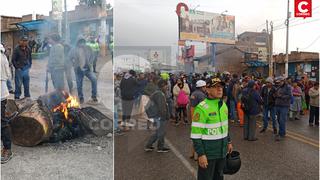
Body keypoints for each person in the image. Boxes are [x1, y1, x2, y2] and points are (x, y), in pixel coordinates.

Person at [191, 78, 232, 180]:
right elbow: (195, 135)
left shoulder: (223, 105)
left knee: (219, 177)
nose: (219, 89)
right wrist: (201, 154)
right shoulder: (201, 108)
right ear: (208, 90)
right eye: (215, 87)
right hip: (208, 154)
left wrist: (229, 141)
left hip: (222, 152)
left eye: (221, 86)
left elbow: (224, 126)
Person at [145, 79, 170, 153]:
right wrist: (165, 116)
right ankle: (160, 147)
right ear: (162, 85)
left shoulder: (157, 92)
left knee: (158, 132)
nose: (167, 87)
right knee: (161, 132)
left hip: (156, 115)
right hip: (159, 116)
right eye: (166, 85)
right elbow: (162, 107)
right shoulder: (159, 94)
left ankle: (149, 146)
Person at [69, 38, 98, 103]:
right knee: (79, 84)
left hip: (87, 69)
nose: (82, 44)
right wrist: (74, 64)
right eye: (80, 42)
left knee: (94, 79)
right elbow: (69, 57)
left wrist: (90, 63)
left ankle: (94, 96)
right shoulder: (73, 49)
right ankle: (81, 97)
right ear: (78, 43)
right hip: (78, 70)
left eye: (83, 42)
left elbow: (93, 56)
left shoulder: (88, 48)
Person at [1, 44, 13, 163]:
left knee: (2, 123)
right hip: (2, 93)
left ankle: (7, 149)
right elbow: (8, 75)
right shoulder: (2, 55)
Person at [189, 79, 207, 160]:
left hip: (193, 116)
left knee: (194, 136)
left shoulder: (193, 93)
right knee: (199, 137)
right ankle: (197, 155)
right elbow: (205, 107)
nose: (206, 88)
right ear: (202, 87)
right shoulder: (201, 95)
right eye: (205, 87)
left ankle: (192, 153)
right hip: (199, 117)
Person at [274, 76, 292, 141]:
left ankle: (281, 134)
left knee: (282, 120)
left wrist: (281, 96)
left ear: (283, 81)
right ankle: (282, 132)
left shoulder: (288, 87)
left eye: (279, 82)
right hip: (278, 105)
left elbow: (290, 96)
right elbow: (276, 94)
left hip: (284, 106)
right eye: (277, 82)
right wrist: (275, 95)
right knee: (279, 120)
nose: (278, 83)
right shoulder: (278, 87)